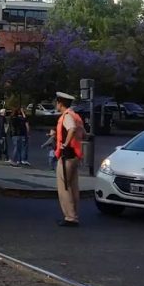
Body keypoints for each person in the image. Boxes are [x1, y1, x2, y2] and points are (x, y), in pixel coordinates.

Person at [54, 91, 85, 227]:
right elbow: (82, 133)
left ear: (60, 103)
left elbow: (71, 129)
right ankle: (74, 215)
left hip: (67, 155)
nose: (56, 104)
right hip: (75, 155)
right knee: (73, 187)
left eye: (56, 102)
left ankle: (70, 217)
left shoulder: (67, 116)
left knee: (64, 187)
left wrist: (65, 144)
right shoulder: (76, 115)